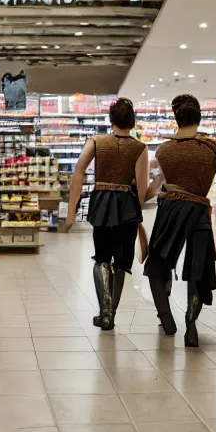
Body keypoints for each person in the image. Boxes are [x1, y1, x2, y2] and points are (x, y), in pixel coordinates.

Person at [144, 94, 216, 347]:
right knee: (198, 269)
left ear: (175, 118)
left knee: (157, 266)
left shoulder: (163, 150)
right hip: (199, 210)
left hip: (170, 211)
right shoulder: (215, 148)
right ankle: (191, 324)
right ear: (199, 117)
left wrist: (134, 203)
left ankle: (166, 319)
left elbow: (156, 186)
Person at [62, 98, 148, 330]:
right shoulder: (140, 148)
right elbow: (141, 186)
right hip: (127, 206)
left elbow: (79, 169)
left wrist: (71, 211)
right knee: (121, 261)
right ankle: (112, 312)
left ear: (111, 119)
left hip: (102, 202)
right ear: (132, 121)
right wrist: (137, 215)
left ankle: (104, 311)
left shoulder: (96, 141)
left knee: (101, 257)